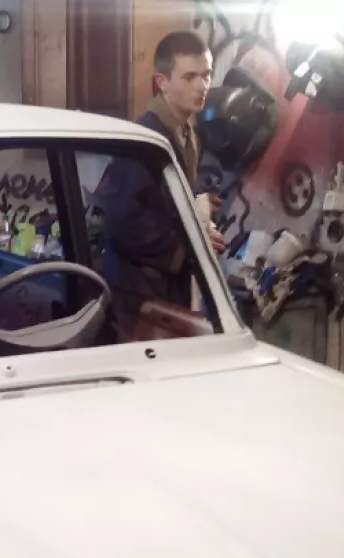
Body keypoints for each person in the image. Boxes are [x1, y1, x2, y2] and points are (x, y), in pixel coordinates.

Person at [92, 30, 225, 335]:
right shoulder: (144, 138)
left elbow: (163, 198)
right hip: (138, 296)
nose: (202, 86)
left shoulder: (186, 131)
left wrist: (199, 212)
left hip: (164, 290)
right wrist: (186, 246)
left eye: (206, 75)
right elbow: (123, 219)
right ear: (162, 82)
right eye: (189, 77)